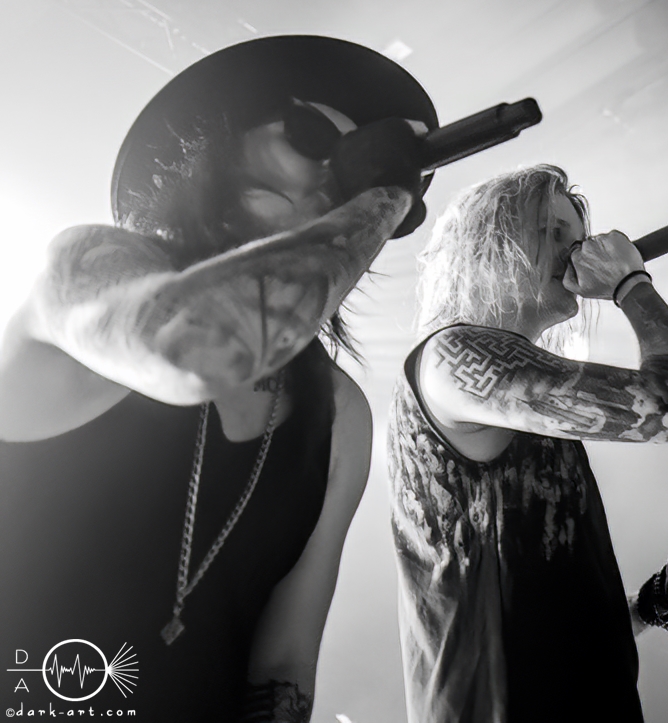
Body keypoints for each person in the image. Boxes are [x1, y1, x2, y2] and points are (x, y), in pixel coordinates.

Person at [0, 36, 434, 722]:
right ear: (221, 142)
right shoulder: (81, 269)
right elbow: (197, 349)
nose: (335, 174)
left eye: (355, 164)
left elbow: (284, 661)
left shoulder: (339, 411)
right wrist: (383, 194)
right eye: (311, 134)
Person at [386, 164, 668, 723]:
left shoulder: (519, 399)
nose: (576, 251)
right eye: (551, 232)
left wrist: (645, 608)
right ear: (488, 247)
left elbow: (536, 622)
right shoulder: (453, 358)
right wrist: (631, 285)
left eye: (577, 236)